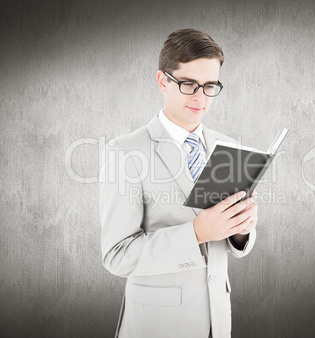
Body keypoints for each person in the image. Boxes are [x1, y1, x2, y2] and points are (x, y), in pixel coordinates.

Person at [99, 28, 258, 338]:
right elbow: (116, 255)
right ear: (163, 81)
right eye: (188, 84)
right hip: (156, 326)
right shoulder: (125, 151)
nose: (200, 97)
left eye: (210, 86)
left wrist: (240, 229)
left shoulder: (227, 148)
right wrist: (196, 233)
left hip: (218, 322)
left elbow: (229, 245)